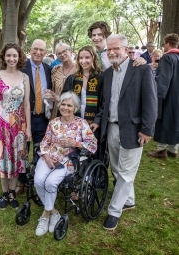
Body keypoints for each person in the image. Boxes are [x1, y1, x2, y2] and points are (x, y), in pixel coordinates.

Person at [91, 34, 157, 231]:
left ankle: (114, 212)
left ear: (126, 49)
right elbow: (104, 103)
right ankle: (129, 200)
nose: (111, 52)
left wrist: (147, 129)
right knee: (118, 170)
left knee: (127, 173)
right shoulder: (108, 73)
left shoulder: (142, 69)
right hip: (111, 128)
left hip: (133, 129)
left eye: (115, 48)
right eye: (109, 49)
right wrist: (96, 121)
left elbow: (151, 103)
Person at [34, 91, 97, 236]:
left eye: (69, 105)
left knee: (50, 183)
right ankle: (53, 212)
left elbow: (93, 145)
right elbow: (45, 143)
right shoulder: (53, 122)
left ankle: (45, 215)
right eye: (63, 104)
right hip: (49, 158)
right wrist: (46, 157)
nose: (65, 107)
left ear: (74, 108)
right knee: (38, 181)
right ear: (59, 105)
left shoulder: (81, 123)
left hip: (68, 161)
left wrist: (74, 142)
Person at [0, 43, 31, 210]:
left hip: (18, 125)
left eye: (14, 56)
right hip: (0, 124)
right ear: (3, 57)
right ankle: (4, 193)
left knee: (17, 158)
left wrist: (29, 128)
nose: (11, 59)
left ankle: (12, 191)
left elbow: (26, 105)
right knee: (2, 157)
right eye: (8, 55)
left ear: (19, 58)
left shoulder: (25, 78)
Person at [16, 39, 52, 195]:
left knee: (41, 150)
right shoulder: (20, 68)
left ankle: (38, 179)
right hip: (24, 118)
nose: (38, 52)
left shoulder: (49, 69)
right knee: (22, 151)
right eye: (35, 49)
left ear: (45, 52)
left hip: (43, 118)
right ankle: (22, 182)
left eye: (42, 50)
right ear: (30, 50)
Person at [147, 33, 179, 159]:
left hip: (168, 95)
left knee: (165, 120)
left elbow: (164, 79)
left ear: (168, 44)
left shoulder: (167, 58)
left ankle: (161, 150)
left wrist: (157, 95)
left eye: (164, 44)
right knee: (176, 121)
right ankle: (173, 149)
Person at [50, 43, 76, 119]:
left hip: (73, 111)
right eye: (59, 53)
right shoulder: (55, 71)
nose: (62, 54)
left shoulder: (79, 70)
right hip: (57, 110)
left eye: (64, 51)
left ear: (71, 52)